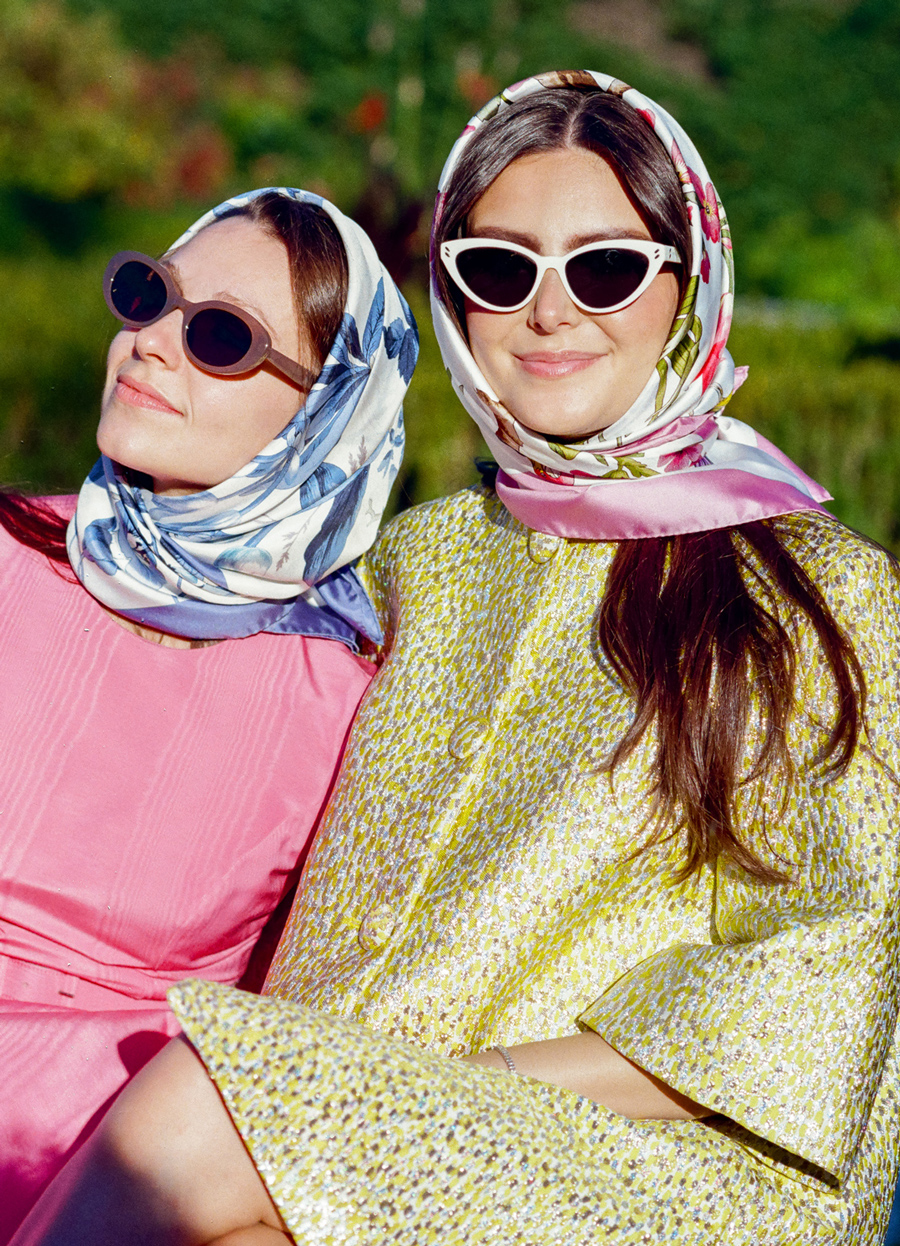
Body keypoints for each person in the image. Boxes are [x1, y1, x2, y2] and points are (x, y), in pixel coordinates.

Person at [13, 71, 900, 1246]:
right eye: (499, 269)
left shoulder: (816, 588)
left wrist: (449, 1084)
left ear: (690, 285)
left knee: (200, 1108)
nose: (550, 312)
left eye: (605, 269)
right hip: (357, 1136)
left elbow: (835, 964)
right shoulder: (419, 562)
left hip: (650, 1163)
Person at [0, 186, 416, 1241]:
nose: (149, 341)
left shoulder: (347, 693)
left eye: (220, 336)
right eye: (150, 296)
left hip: (126, 1165)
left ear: (324, 417)